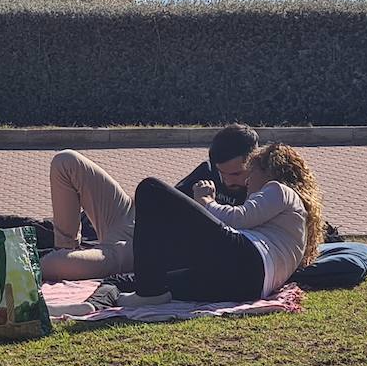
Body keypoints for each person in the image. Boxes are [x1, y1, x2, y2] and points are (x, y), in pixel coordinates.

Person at [41, 125, 262, 282]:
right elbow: (165, 197)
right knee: (65, 161)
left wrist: (206, 203)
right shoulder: (207, 172)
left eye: (235, 173)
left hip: (143, 248)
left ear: (255, 161)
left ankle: (58, 261)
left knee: (51, 265)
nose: (226, 180)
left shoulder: (261, 193)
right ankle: (65, 245)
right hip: (131, 218)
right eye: (220, 173)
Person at [117, 143, 323, 306]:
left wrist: (206, 201)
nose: (247, 182)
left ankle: (148, 292)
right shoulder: (295, 219)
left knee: (150, 188)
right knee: (160, 283)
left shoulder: (280, 190)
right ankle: (113, 298)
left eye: (251, 174)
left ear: (268, 171)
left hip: (247, 261)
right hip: (246, 286)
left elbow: (238, 218)